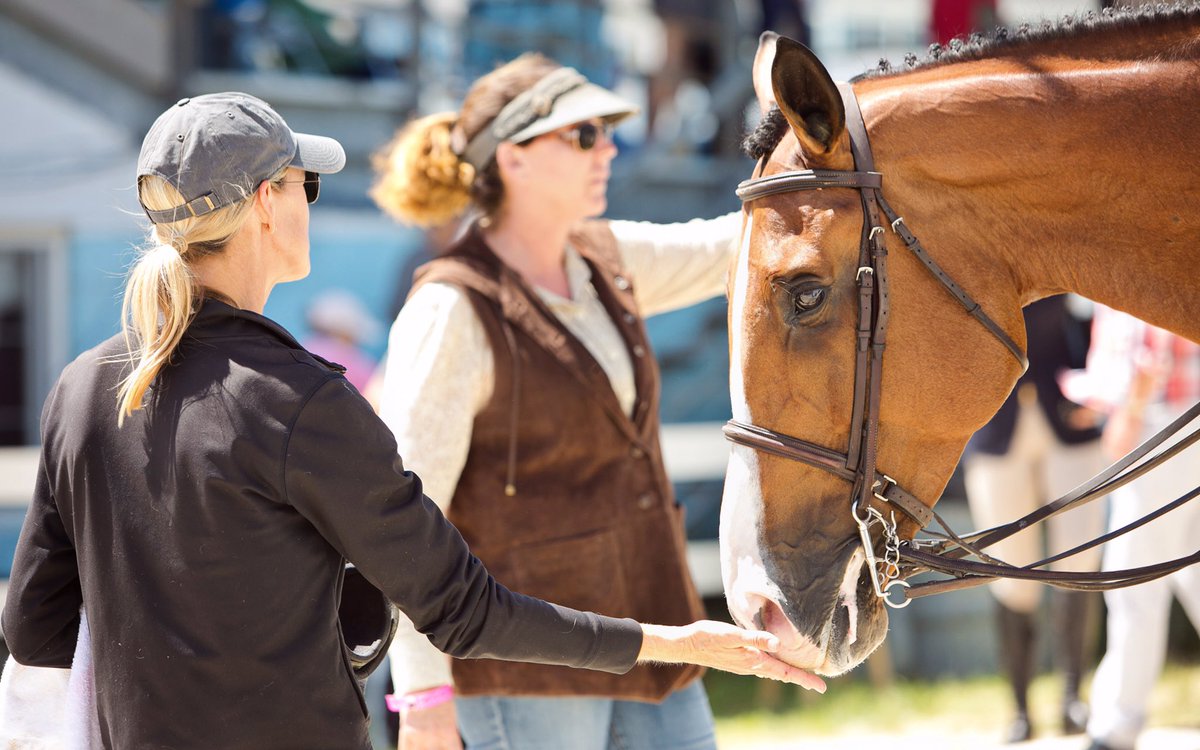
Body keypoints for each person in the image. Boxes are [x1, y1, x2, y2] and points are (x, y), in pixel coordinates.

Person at [0, 92, 824, 749]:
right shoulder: (302, 401)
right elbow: (466, 611)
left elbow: (35, 629)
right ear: (264, 204)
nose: (310, 204)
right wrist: (675, 642)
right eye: (304, 184)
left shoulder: (80, 389)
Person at [370, 53, 743, 750]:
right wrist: (422, 697)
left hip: (656, 637)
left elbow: (739, 245)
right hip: (528, 665)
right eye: (582, 135)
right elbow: (407, 523)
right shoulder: (450, 308)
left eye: (606, 132)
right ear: (512, 158)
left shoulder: (607, 258)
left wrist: (849, 174)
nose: (607, 149)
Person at [961, 295, 1106, 743]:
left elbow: (1099, 314)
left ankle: (1072, 698)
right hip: (994, 430)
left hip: (1070, 422)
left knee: (1079, 564)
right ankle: (1021, 710)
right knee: (1008, 571)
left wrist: (1101, 387)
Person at [1063, 305, 1200, 750]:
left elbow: (1151, 346)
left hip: (1160, 421)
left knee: (1134, 579)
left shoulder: (1140, 242)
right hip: (1173, 416)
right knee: (1189, 569)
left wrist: (1129, 413)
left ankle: (1117, 726)